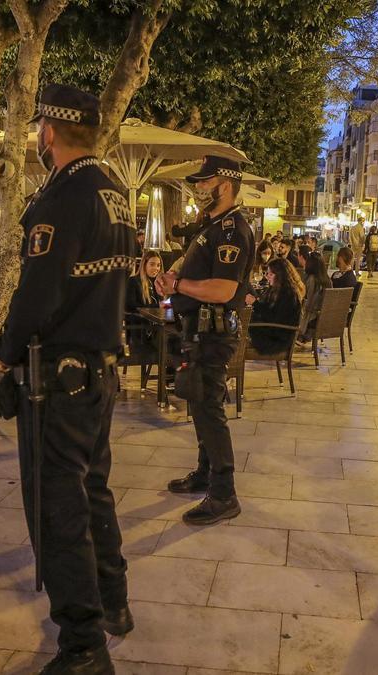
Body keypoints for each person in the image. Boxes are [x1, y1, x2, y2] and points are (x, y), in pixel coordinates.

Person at [0, 84, 134, 674]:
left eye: (37, 128)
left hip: (60, 377)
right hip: (98, 373)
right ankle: (113, 604)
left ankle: (83, 643)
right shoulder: (117, 196)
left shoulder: (63, 199)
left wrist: (3, 354)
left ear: (49, 131)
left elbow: (38, 296)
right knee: (92, 488)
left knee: (59, 507)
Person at [154, 155, 255, 527]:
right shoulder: (210, 227)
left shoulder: (232, 230)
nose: (197, 188)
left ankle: (224, 494)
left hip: (213, 331)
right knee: (198, 401)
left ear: (224, 185)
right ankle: (204, 473)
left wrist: (178, 285)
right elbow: (189, 265)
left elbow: (223, 288)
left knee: (209, 409)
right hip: (197, 327)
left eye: (203, 182)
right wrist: (170, 277)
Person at [245, 258, 304, 354]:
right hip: (274, 333)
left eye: (271, 274)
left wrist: (255, 303)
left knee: (239, 334)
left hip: (278, 340)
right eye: (267, 273)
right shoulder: (276, 289)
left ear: (281, 276)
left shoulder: (288, 294)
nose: (267, 277)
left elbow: (274, 317)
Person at [126, 249, 163, 360]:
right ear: (144, 264)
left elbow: (160, 305)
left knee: (177, 339)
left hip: (156, 328)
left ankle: (170, 374)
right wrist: (158, 306)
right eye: (152, 264)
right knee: (171, 343)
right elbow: (130, 305)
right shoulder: (133, 281)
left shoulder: (155, 283)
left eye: (158, 265)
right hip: (141, 331)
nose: (156, 268)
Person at [298, 250, 331, 340]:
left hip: (312, 317)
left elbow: (309, 303)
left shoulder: (312, 279)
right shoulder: (327, 279)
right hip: (323, 316)